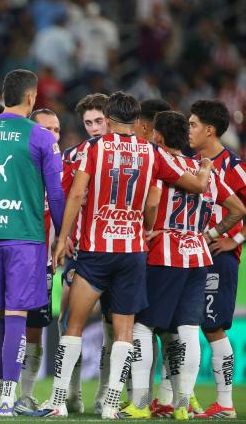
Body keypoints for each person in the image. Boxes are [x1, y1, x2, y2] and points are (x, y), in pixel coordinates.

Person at [37, 91, 213, 419]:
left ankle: (59, 400)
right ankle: (111, 405)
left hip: (95, 251)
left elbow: (76, 193)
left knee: (72, 325)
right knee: (124, 333)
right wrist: (203, 167)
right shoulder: (151, 152)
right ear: (136, 120)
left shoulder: (93, 148)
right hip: (132, 254)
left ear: (108, 115)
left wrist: (62, 238)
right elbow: (188, 189)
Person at [122, 110, 246, 419]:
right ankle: (182, 405)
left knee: (142, 326)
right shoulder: (203, 170)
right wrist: (211, 233)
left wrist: (150, 228)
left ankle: (138, 404)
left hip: (165, 253)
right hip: (199, 254)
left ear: (159, 137)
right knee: (189, 330)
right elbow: (237, 209)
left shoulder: (159, 165)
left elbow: (151, 204)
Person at [0, 69, 66, 416]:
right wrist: (63, 238)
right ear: (31, 98)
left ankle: (0, 396)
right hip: (24, 235)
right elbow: (56, 192)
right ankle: (10, 399)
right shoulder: (40, 138)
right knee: (17, 315)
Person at [189, 100, 246, 419]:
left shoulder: (234, 166)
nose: (189, 129)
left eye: (193, 124)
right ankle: (178, 398)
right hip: (191, 254)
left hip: (219, 257)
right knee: (185, 325)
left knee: (212, 327)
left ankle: (225, 404)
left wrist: (233, 238)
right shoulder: (191, 162)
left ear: (210, 130)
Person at [61, 92, 110, 415]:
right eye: (88, 123)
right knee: (68, 322)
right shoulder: (71, 157)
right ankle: (73, 391)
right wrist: (61, 236)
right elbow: (61, 198)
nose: (93, 128)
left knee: (114, 326)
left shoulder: (132, 155)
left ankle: (106, 393)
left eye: (98, 121)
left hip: (118, 250)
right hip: (78, 252)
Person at [14, 108, 61, 414]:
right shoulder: (21, 166)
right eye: (46, 129)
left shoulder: (64, 167)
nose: (52, 135)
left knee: (35, 329)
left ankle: (26, 394)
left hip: (44, 260)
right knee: (3, 324)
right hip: (15, 256)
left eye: (56, 129)